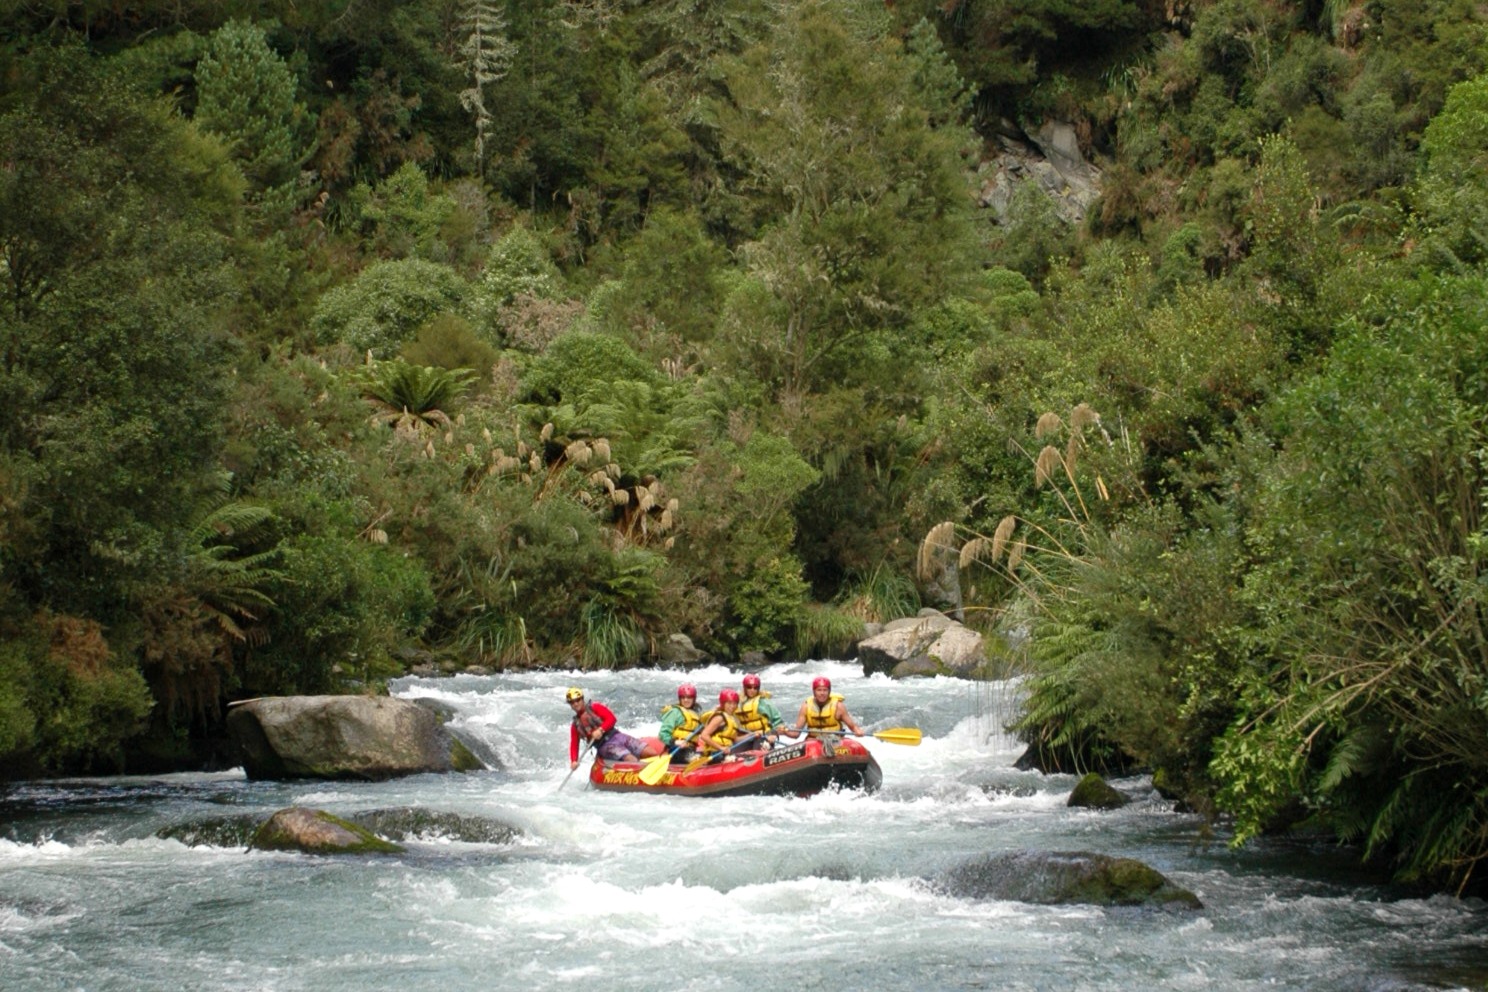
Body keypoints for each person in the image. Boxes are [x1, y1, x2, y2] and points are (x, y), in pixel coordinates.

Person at [566, 687, 662, 768]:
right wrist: (574, 760)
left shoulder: (596, 707)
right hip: (604, 746)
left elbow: (612, 719)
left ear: (582, 700)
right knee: (631, 759)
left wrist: (601, 729)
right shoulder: (575, 726)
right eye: (572, 702)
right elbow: (574, 744)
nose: (575, 704)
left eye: (577, 700)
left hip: (617, 736)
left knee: (651, 753)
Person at [793, 676, 865, 737]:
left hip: (834, 740)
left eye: (825, 690)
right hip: (814, 741)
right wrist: (784, 731)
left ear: (829, 691)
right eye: (819, 690)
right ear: (814, 692)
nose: (822, 693)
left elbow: (853, 727)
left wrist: (858, 731)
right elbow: (796, 733)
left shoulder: (838, 706)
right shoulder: (806, 707)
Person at [694, 688, 754, 761]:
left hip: (727, 750)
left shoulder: (732, 718)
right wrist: (720, 747)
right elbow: (704, 735)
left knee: (753, 741)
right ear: (723, 703)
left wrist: (751, 735)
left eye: (734, 703)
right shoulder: (719, 717)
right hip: (715, 753)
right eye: (729, 703)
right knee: (741, 757)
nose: (732, 706)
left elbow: (735, 740)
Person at [737, 673, 790, 746]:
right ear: (744, 688)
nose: (752, 690)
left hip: (764, 735)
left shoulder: (764, 702)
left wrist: (773, 734)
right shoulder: (738, 703)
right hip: (747, 737)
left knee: (759, 749)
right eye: (749, 687)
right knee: (733, 755)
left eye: (755, 688)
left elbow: (777, 721)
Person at [657, 682, 704, 762]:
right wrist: (676, 741)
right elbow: (662, 734)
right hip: (677, 750)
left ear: (694, 699)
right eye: (683, 697)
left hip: (690, 750)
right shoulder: (674, 712)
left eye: (689, 697)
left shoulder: (696, 714)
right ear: (680, 699)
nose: (686, 700)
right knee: (690, 756)